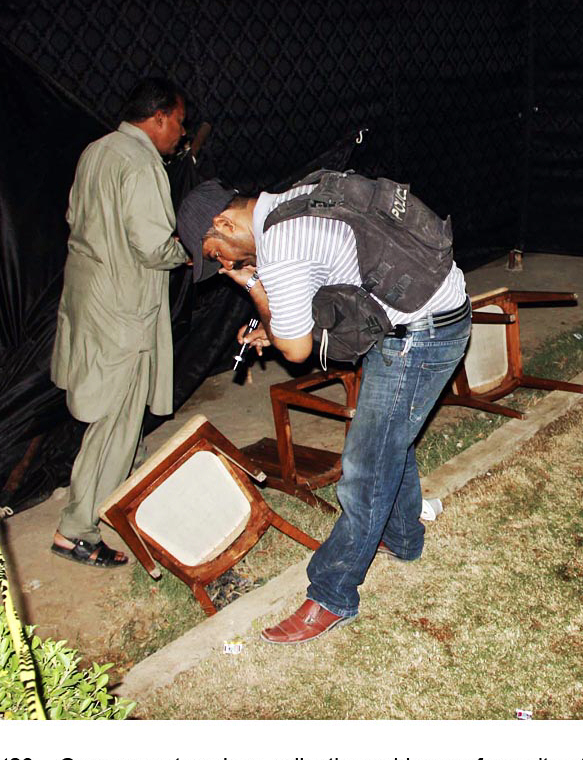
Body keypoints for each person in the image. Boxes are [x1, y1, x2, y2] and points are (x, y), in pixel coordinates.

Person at [177, 173, 470, 643]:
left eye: (217, 255)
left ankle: (331, 595)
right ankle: (404, 540)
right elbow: (304, 310)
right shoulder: (292, 197)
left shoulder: (280, 244)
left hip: (419, 335)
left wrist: (252, 282)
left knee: (364, 467)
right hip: (426, 315)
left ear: (224, 223)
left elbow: (295, 351)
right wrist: (272, 326)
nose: (226, 264)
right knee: (390, 434)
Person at [49, 77, 188, 568]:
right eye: (179, 123)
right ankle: (76, 532)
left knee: (122, 421)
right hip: (123, 309)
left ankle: (131, 496)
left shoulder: (97, 150)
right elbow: (152, 244)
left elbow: (73, 214)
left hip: (91, 295)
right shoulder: (141, 160)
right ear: (160, 118)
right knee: (114, 421)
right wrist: (188, 253)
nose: (181, 134)